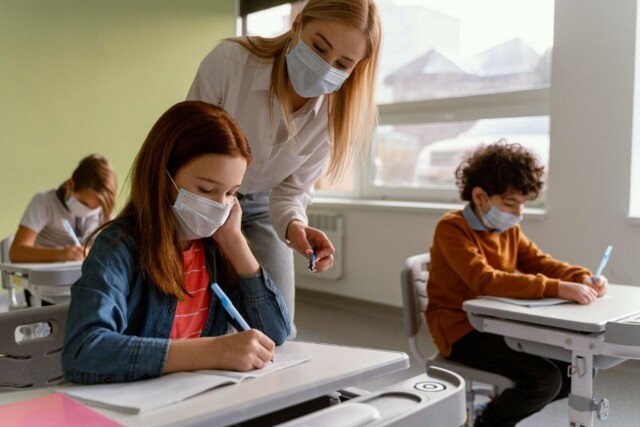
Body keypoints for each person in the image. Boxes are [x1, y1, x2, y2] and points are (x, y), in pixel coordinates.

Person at [62, 101, 291, 384]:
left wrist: (234, 241)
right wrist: (210, 351)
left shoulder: (214, 249)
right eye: (206, 189)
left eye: (232, 193)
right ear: (163, 175)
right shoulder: (118, 246)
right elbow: (83, 351)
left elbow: (276, 333)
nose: (220, 206)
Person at [186, 0, 382, 330]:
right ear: (297, 25)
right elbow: (186, 147)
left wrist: (295, 228)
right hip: (203, 195)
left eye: (342, 64)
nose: (324, 67)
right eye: (319, 47)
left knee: (279, 328)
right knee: (200, 318)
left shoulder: (336, 115)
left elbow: (290, 192)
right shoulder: (231, 63)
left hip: (262, 206)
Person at [425, 141, 608, 427]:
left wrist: (581, 276)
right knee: (545, 380)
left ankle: (493, 411)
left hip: (499, 324)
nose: (518, 213)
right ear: (480, 196)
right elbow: (484, 280)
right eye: (510, 204)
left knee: (579, 371)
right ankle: (488, 422)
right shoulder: (451, 228)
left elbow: (539, 262)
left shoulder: (506, 229)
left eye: (522, 204)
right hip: (460, 331)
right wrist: (556, 288)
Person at [9, 154, 117, 263]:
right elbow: (16, 252)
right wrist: (61, 254)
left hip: (85, 276)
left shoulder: (105, 209)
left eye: (96, 208)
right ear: (70, 184)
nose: (89, 211)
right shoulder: (44, 202)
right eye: (84, 203)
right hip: (47, 276)